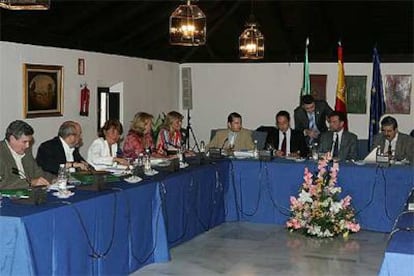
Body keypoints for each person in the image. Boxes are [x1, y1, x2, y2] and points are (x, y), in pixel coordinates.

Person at [0, 120, 50, 190]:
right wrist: (30, 183)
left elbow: (38, 173)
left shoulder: (26, 151)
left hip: (29, 195)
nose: (27, 145)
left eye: (29, 142)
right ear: (12, 139)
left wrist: (55, 179)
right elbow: (2, 184)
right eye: (24, 142)